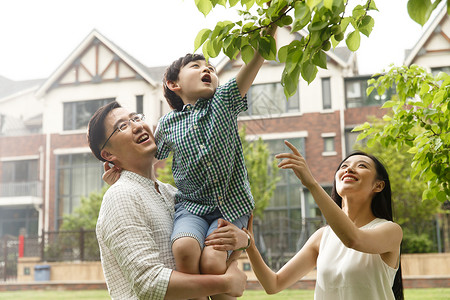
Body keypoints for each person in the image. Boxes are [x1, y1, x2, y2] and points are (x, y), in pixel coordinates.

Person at [154, 23, 278, 299]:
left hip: (231, 205)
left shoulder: (223, 101)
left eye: (210, 67)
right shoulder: (167, 124)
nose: (206, 70)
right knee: (184, 250)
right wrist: (117, 165)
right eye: (196, 66)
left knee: (211, 261)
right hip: (192, 207)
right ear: (174, 85)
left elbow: (254, 63)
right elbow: (148, 156)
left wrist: (273, 25)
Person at [87, 101, 251, 299]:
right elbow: (148, 283)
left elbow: (216, 250)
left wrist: (244, 240)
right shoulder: (120, 196)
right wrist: (224, 283)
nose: (137, 125)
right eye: (122, 126)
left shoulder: (174, 194)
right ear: (108, 154)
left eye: (136, 118)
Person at [209, 140, 404, 300]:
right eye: (344, 166)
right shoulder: (322, 237)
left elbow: (354, 240)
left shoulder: (390, 230)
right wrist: (250, 243)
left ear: (378, 186)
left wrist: (311, 183)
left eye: (361, 166)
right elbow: (273, 284)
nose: (349, 169)